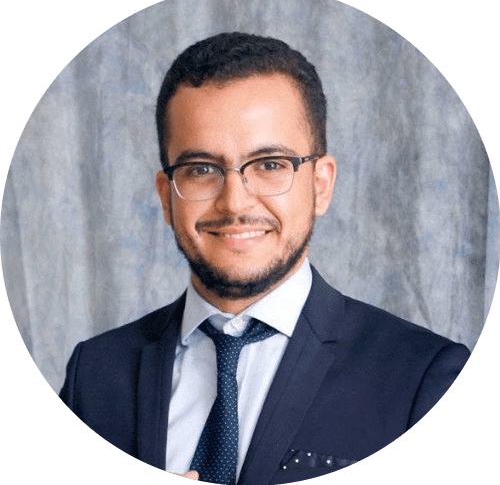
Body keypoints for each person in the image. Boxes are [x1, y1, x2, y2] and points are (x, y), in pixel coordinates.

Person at [59, 32, 470, 484]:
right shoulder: (93, 377)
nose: (234, 203)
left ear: (320, 185)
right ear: (166, 195)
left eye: (270, 164)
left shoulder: (423, 379)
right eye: (200, 169)